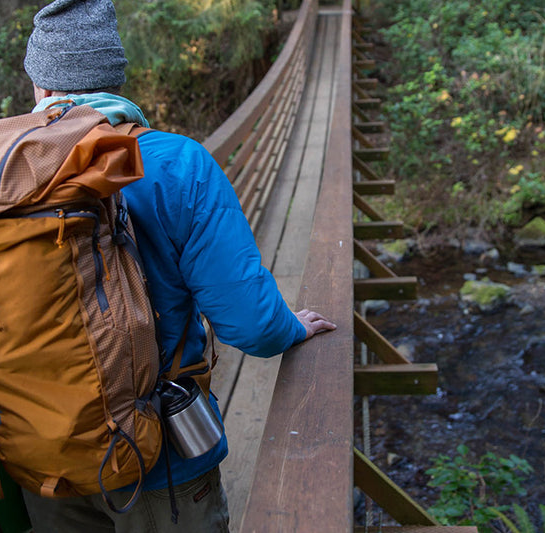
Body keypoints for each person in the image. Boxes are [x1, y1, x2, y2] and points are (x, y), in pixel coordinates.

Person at [19, 0, 336, 531]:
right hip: (156, 457)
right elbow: (251, 325)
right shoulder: (174, 163)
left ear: (42, 87)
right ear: (115, 80)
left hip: (44, 460)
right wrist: (291, 327)